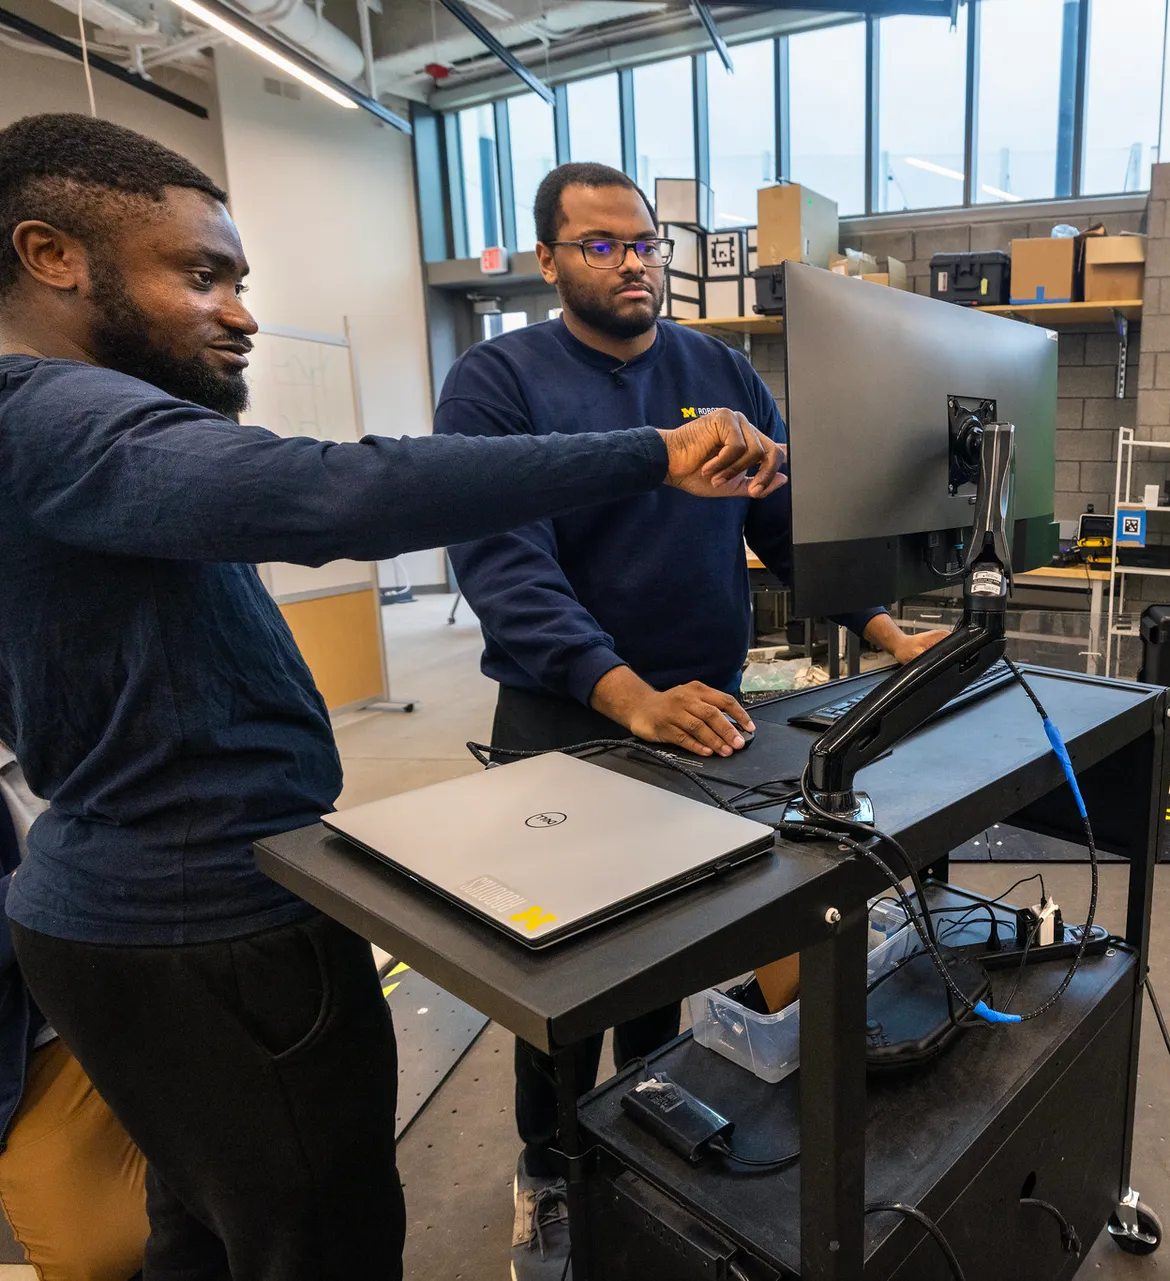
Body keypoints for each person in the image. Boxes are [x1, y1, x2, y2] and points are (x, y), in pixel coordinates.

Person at [0, 114, 786, 1280]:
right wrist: (647, 454)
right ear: (51, 256)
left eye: (241, 280)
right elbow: (326, 493)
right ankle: (556, 1164)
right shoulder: (58, 419)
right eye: (202, 276)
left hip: (166, 901)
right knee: (320, 1239)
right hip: (204, 918)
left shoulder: (57, 430)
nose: (243, 311)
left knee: (210, 1226)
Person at [432, 161, 944, 1277]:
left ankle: (637, 1141)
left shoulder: (714, 369)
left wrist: (877, 624)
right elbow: (506, 565)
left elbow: (780, 517)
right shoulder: (497, 381)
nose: (634, 264)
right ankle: (551, 1171)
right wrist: (625, 694)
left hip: (702, 717)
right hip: (567, 718)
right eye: (603, 245)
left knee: (666, 953)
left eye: (647, 243)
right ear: (550, 258)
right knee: (560, 982)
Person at [0, 743, 147, 1281]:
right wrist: (64, 874)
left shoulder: (79, 719)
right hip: (36, 1045)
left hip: (149, 996)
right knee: (100, 1257)